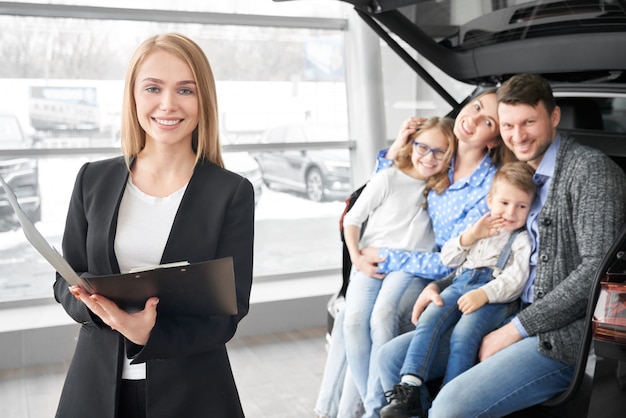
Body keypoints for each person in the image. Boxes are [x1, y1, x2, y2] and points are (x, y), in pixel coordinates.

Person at [378, 73, 626, 417]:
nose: (518, 135)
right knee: (390, 359)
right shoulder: (515, 173)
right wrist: (440, 285)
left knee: (449, 408)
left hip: (556, 339)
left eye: (529, 122)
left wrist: (514, 330)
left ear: (553, 117)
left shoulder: (590, 172)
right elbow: (492, 255)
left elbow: (593, 272)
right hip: (500, 308)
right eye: (507, 126)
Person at [53, 33, 254, 418]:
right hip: (94, 390)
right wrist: (95, 309)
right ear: (133, 96)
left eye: (185, 89)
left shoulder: (230, 192)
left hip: (192, 393)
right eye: (153, 88)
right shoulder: (92, 179)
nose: (168, 104)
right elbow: (65, 280)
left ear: (203, 100)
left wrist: (148, 334)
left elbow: (229, 312)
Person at [315, 88, 515, 418]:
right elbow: (393, 184)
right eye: (475, 107)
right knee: (351, 320)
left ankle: (370, 408)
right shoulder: (442, 160)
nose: (473, 120)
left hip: (444, 274)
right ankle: (338, 410)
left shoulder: (489, 186)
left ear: (494, 138)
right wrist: (396, 148)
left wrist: (387, 255)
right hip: (400, 260)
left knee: (379, 317)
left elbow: (456, 255)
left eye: (488, 121)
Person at [380, 161, 535, 418]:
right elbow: (448, 259)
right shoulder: (478, 228)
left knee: (464, 332)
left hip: (493, 296)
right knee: (430, 317)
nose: (511, 212)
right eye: (504, 203)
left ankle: (447, 396)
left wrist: (484, 294)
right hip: (462, 282)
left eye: (521, 206)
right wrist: (470, 237)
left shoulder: (521, 239)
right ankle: (410, 387)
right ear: (490, 200)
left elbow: (516, 280)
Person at [342, 117, 456, 413]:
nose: (429, 157)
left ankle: (378, 405)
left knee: (382, 316)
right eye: (423, 147)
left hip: (407, 265)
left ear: (450, 155)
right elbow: (353, 219)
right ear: (411, 144)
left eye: (440, 151)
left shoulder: (443, 189)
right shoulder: (389, 178)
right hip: (371, 259)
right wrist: (356, 257)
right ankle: (371, 405)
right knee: (353, 321)